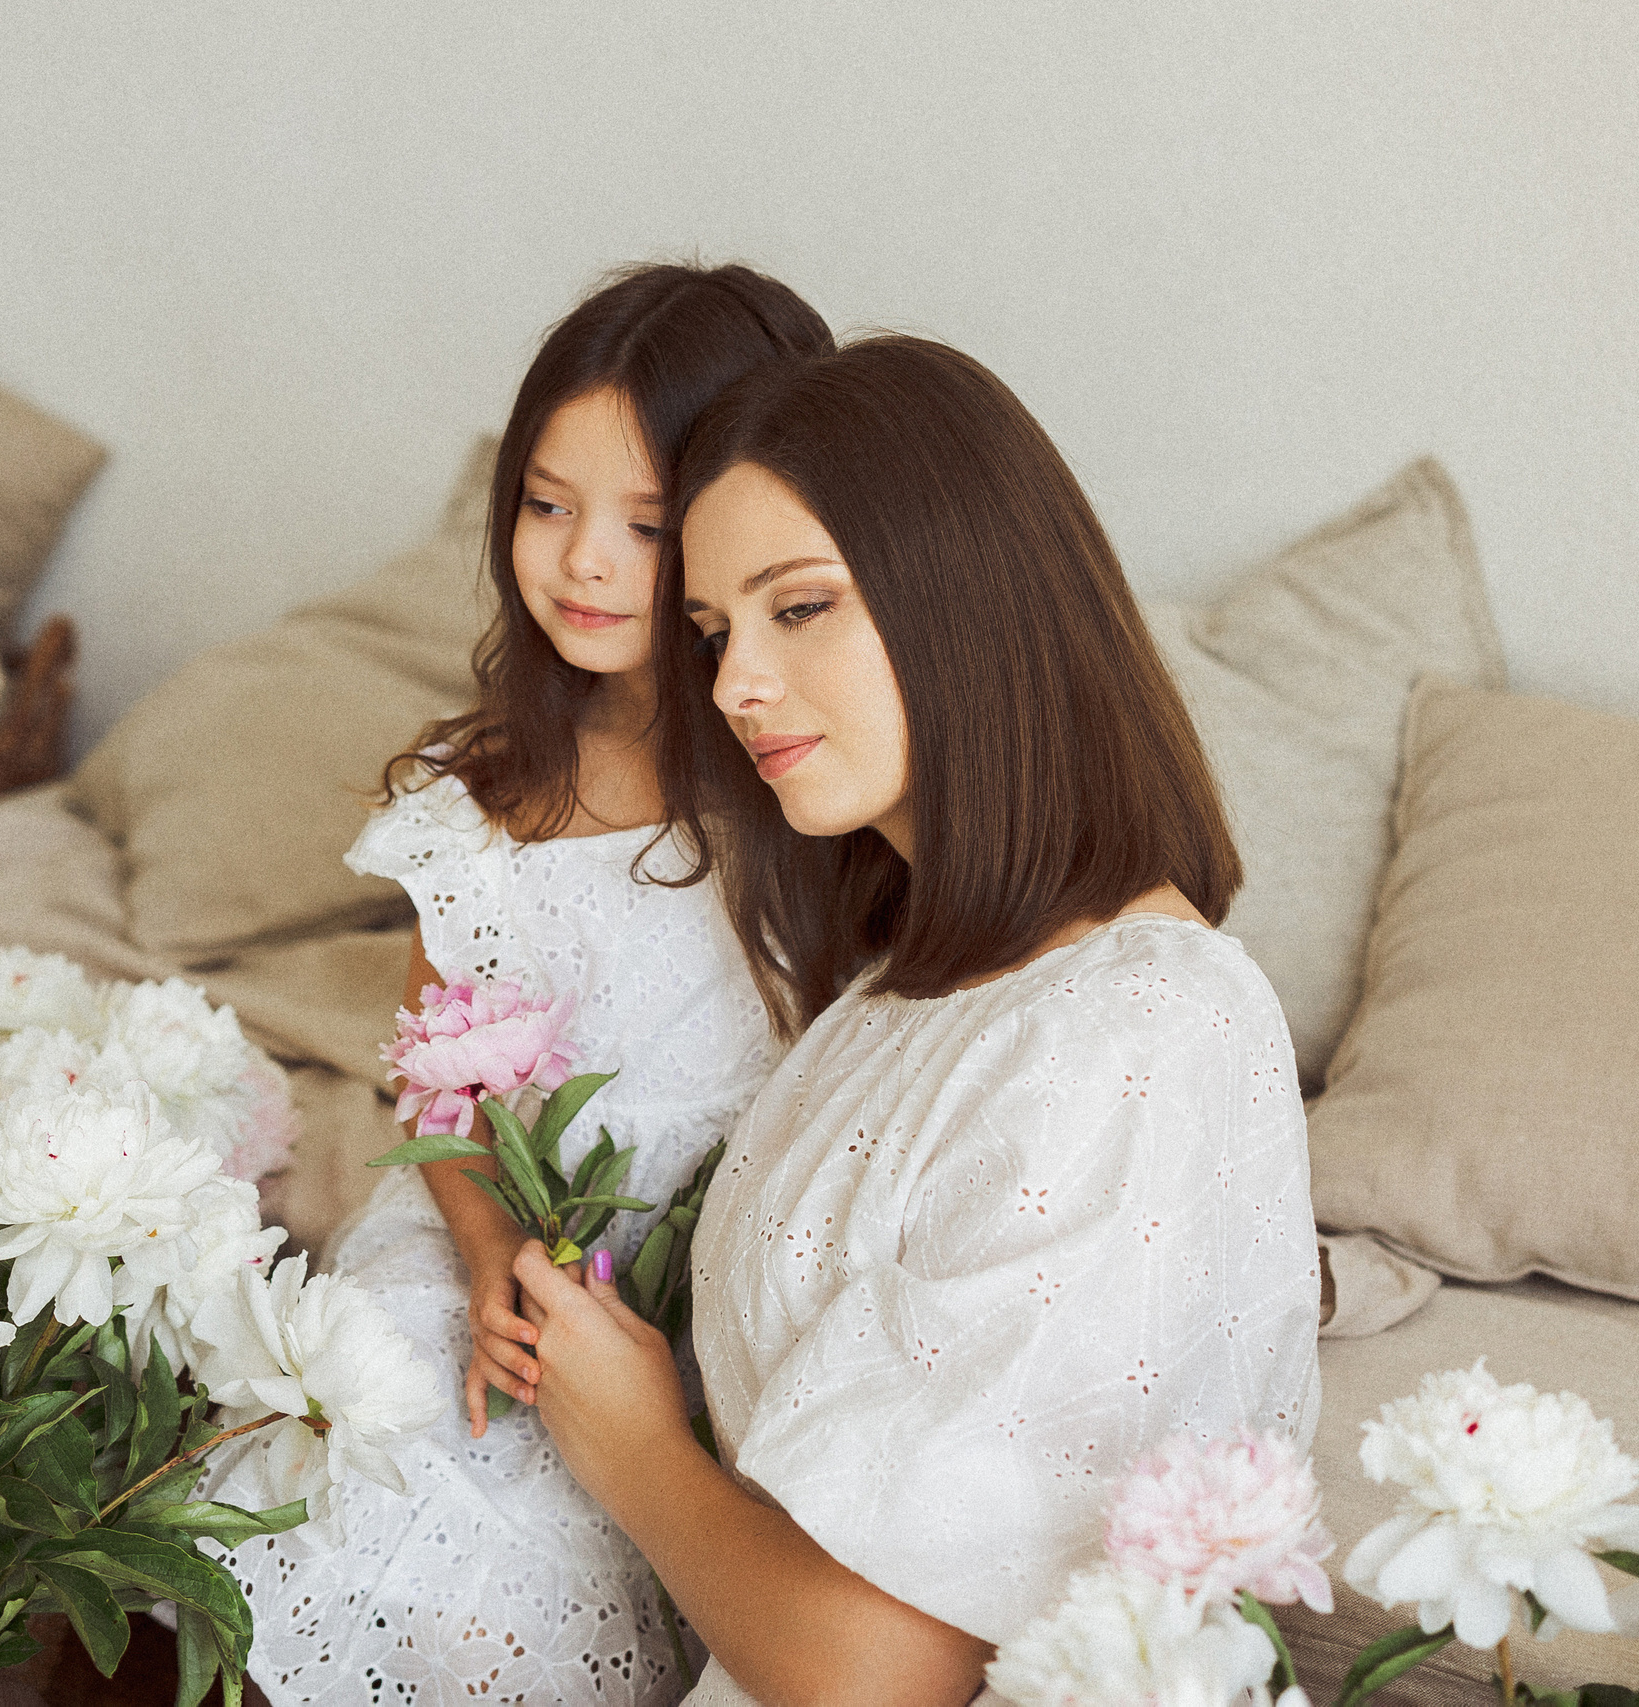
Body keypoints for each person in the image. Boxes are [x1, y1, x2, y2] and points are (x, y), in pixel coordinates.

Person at [507, 337, 1323, 1707]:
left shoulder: (1138, 1029)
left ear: (976, 599)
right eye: (712, 632)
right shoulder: (898, 993)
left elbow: (884, 1677)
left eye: (800, 608)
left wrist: (640, 1451)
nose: (732, 686)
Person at [210, 263, 833, 1705]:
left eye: (648, 524)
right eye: (547, 506)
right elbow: (442, 1075)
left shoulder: (803, 799)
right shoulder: (474, 798)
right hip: (485, 1236)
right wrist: (491, 1258)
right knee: (378, 1447)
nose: (584, 564)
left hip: (691, 1282)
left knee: (567, 1554)